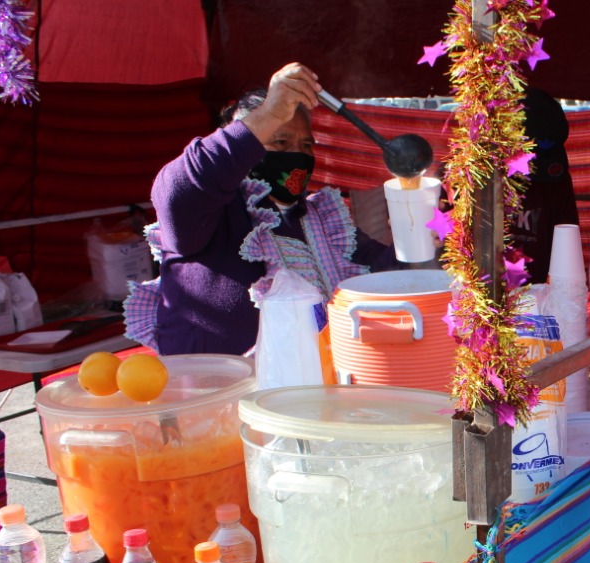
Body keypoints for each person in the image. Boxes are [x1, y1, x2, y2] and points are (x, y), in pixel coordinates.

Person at [125, 62, 404, 355]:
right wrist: (270, 113)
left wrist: (425, 235)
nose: (296, 155)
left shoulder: (323, 220)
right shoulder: (209, 215)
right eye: (279, 141)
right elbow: (176, 188)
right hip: (215, 393)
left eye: (306, 146)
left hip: (309, 391)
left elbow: (386, 274)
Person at [507, 87, 579, 285]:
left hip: (539, 289)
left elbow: (568, 235)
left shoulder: (558, 182)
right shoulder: (486, 176)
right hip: (490, 290)